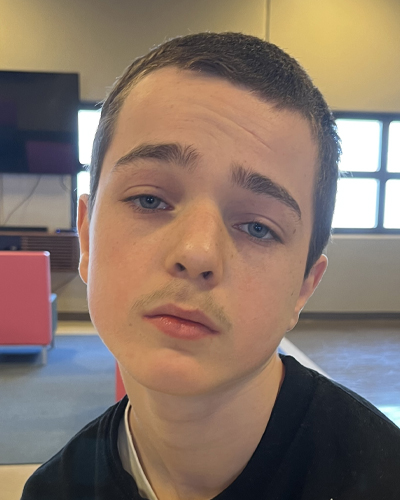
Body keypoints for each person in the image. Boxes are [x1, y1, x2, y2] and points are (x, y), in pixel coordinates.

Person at [22, 32, 400, 500]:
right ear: (85, 234)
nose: (197, 252)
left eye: (258, 227)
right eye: (149, 199)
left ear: (305, 286)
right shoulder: (53, 491)